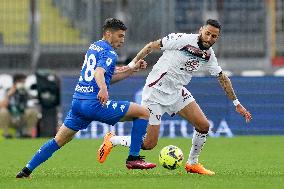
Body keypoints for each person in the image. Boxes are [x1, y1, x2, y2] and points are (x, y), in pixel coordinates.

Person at [98, 19, 252, 175]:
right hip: (155, 93)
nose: (209, 38)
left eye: (214, 36)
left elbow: (222, 77)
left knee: (204, 126)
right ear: (201, 30)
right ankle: (112, 140)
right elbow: (151, 46)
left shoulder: (208, 55)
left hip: (177, 92)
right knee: (149, 144)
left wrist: (236, 103)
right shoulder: (182, 40)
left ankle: (192, 163)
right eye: (207, 33)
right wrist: (131, 66)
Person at [16, 18, 156, 179]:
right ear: (108, 33)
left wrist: (131, 70)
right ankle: (133, 158)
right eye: (119, 36)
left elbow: (109, 75)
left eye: (124, 37)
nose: (122, 40)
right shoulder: (110, 52)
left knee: (58, 140)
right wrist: (103, 88)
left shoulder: (94, 46)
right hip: (94, 104)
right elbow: (99, 73)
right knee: (143, 112)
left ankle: (26, 171)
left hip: (78, 103)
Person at [0, 74, 38, 138]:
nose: (23, 83)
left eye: (24, 82)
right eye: (22, 82)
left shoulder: (25, 92)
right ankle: (5, 134)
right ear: (16, 82)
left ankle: (27, 134)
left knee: (33, 112)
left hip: (21, 116)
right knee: (3, 111)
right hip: (10, 117)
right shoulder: (7, 91)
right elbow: (2, 106)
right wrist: (8, 95)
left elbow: (30, 105)